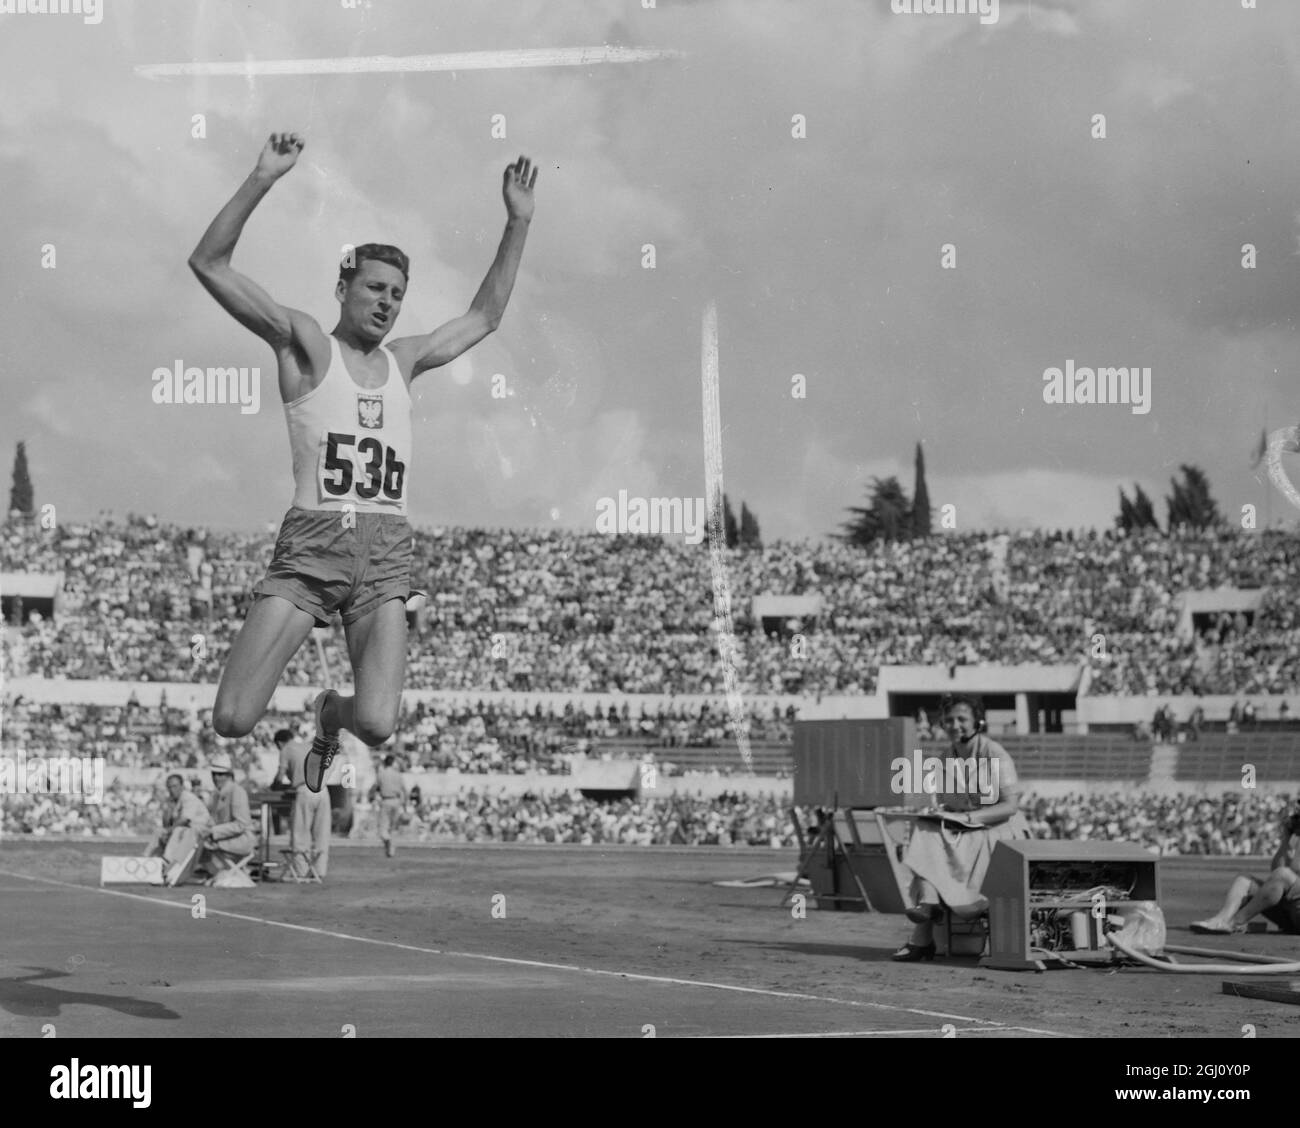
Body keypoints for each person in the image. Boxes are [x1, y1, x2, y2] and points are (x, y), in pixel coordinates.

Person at [190, 130, 536, 793]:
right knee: (233, 718)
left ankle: (329, 711)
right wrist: (263, 176)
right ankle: (305, 705)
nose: (387, 302)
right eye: (376, 287)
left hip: (384, 553)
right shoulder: (307, 347)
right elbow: (209, 263)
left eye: (398, 293)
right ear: (343, 286)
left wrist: (517, 222)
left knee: (376, 723)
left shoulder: (405, 362)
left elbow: (486, 316)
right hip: (313, 547)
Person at [892, 695, 1030, 962]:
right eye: (949, 720)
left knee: (953, 841)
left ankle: (922, 936)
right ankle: (928, 904)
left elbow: (1009, 806)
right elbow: (949, 804)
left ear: (977, 721)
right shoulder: (946, 757)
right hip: (969, 828)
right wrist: (942, 814)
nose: (955, 725)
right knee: (925, 828)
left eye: (961, 719)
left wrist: (969, 818)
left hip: (999, 828)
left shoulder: (994, 752)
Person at [1190, 804, 1300, 935]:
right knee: (1244, 880)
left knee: (1283, 875)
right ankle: (1220, 920)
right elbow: (1277, 870)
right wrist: (1286, 838)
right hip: (1292, 913)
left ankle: (1234, 922)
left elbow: (1283, 875)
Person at [275, 727, 330, 878]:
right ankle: (319, 871)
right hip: (323, 790)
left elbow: (280, 775)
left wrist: (275, 787)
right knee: (322, 834)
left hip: (305, 790)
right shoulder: (307, 745)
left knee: (300, 834)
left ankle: (301, 871)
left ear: (279, 743)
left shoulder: (285, 749)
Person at [195, 753, 256, 876]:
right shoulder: (216, 794)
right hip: (224, 837)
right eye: (214, 774)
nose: (217, 778)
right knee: (194, 836)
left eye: (221, 774)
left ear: (229, 775)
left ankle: (220, 873)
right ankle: (215, 873)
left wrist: (213, 832)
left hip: (241, 839)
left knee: (203, 844)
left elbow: (241, 825)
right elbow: (212, 820)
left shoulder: (237, 792)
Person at [146, 773, 212, 885]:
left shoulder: (188, 797)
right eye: (170, 787)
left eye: (175, 786)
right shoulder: (173, 801)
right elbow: (167, 824)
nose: (172, 790)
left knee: (176, 831)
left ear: (182, 786)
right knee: (159, 831)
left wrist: (169, 830)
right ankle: (147, 861)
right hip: (186, 833)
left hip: (201, 834)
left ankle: (167, 864)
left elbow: (184, 820)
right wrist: (168, 810)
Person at [371, 753, 408, 858]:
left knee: (383, 828)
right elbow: (405, 791)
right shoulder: (398, 774)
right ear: (393, 763)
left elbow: (374, 788)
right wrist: (405, 806)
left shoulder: (381, 774)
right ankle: (390, 850)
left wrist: (372, 798)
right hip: (396, 801)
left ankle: (388, 841)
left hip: (386, 801)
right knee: (392, 828)